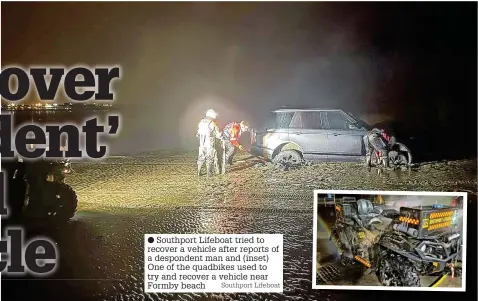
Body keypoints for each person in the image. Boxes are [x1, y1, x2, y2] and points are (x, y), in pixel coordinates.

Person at [196, 109, 222, 176]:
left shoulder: (201, 122)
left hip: (201, 143)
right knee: (209, 157)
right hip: (209, 142)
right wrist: (222, 136)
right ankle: (209, 173)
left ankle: (198, 172)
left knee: (201, 157)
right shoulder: (212, 123)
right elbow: (218, 134)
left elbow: (198, 133)